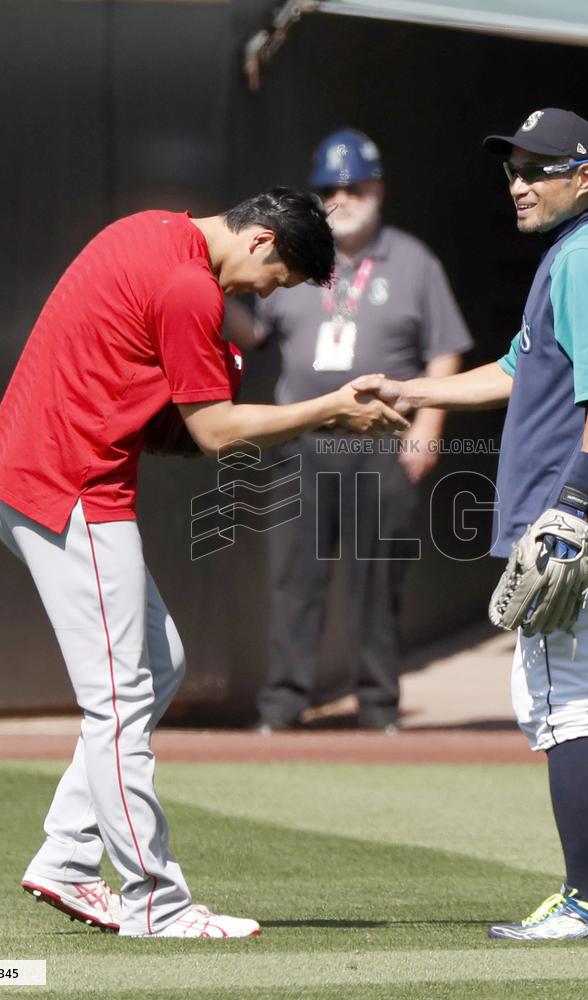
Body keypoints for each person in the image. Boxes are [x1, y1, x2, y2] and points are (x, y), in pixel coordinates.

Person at [0, 189, 408, 940]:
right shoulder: (188, 286)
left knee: (159, 663)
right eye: (274, 279)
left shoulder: (152, 230)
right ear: (263, 239)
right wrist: (329, 408)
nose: (260, 292)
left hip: (29, 479)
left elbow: (147, 399)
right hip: (70, 491)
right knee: (116, 701)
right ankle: (154, 902)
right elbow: (215, 434)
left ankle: (67, 856)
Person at [354, 109, 588, 940]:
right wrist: (415, 392)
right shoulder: (569, 259)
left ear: (584, 177)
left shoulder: (583, 260)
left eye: (539, 169)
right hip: (572, 518)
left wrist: (571, 504)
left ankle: (584, 902)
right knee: (562, 701)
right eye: (512, 168)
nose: (518, 183)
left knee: (557, 710)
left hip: (570, 521)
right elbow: (517, 368)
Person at [228, 129, 472, 733]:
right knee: (295, 581)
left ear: (377, 189)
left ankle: (378, 708)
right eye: (329, 187)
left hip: (379, 444)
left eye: (354, 185)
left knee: (376, 582)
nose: (342, 197)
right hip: (300, 445)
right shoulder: (296, 259)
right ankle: (282, 707)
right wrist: (203, 283)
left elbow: (445, 350)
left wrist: (429, 425)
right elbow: (252, 331)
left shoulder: (413, 261)